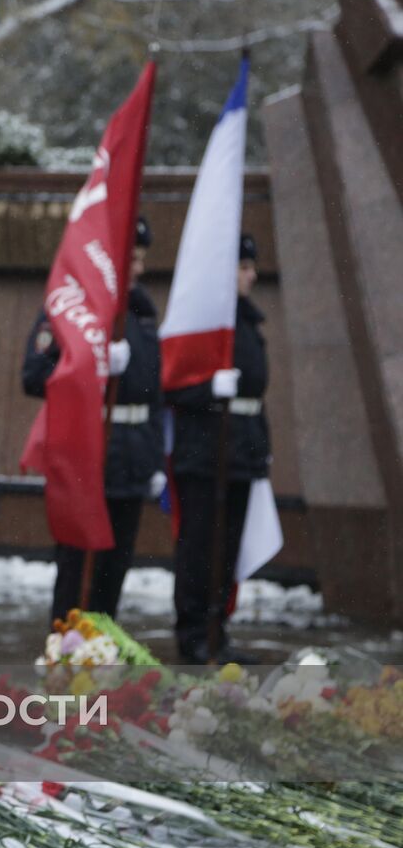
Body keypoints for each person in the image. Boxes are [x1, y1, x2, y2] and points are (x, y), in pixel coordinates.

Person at [22, 216, 165, 623]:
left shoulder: (141, 313)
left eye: (140, 259)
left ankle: (102, 659)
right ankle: (65, 656)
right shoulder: (73, 307)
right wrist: (94, 367)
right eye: (132, 259)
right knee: (77, 571)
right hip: (87, 456)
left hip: (132, 458)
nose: (139, 268)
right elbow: (34, 376)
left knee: (113, 572)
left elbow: (155, 396)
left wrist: (154, 460)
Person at [165, 233, 269, 665]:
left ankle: (217, 629)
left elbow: (257, 397)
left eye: (251, 267)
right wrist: (212, 390)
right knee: (201, 548)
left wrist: (264, 449)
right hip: (205, 454)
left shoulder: (247, 321)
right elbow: (172, 386)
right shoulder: (205, 324)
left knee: (227, 551)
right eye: (243, 268)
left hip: (242, 450)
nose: (252, 275)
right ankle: (193, 632)